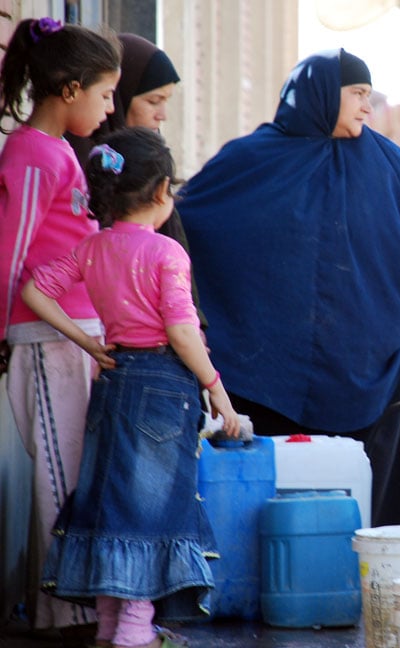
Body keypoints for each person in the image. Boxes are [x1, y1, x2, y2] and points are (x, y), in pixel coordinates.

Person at [175, 49, 400, 527]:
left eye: (368, 95)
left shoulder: (390, 168)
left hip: (365, 369)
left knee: (361, 503)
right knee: (270, 504)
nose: (366, 107)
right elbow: (192, 221)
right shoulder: (251, 161)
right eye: (356, 93)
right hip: (265, 374)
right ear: (320, 94)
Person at [22, 127, 240, 648]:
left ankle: (107, 626)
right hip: (165, 386)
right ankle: (137, 632)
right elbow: (184, 332)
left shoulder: (93, 246)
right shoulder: (167, 253)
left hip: (115, 384)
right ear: (163, 190)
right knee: (150, 511)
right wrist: (217, 389)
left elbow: (34, 290)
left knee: (108, 503)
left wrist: (89, 343)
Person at [0, 17, 120, 635]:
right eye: (105, 94)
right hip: (44, 336)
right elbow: (11, 252)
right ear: (70, 90)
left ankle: (68, 605)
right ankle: (62, 613)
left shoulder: (58, 154)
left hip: (71, 333)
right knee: (57, 474)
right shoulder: (31, 154)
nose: (111, 108)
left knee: (72, 470)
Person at [65, 32, 207, 329]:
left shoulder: (148, 165)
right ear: (120, 95)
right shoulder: (79, 160)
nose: (162, 115)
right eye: (154, 101)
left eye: (166, 101)